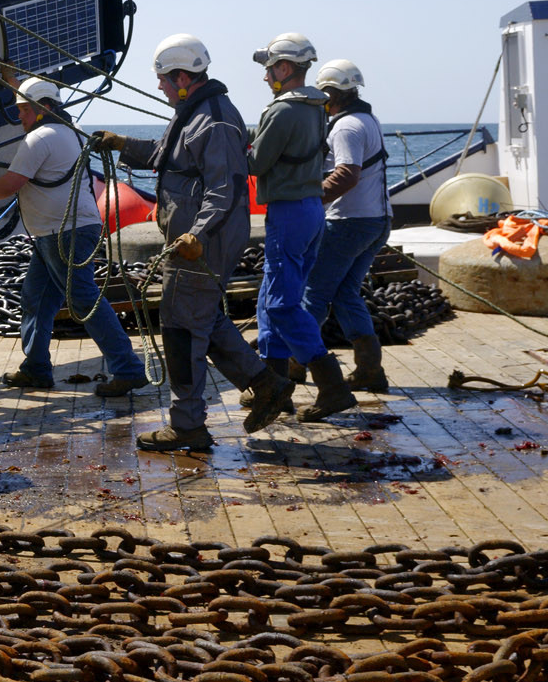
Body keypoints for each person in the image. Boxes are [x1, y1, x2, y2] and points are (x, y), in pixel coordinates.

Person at [93, 34, 294, 452]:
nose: (161, 87)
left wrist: (195, 234)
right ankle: (266, 383)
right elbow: (168, 156)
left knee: (180, 330)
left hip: (204, 243)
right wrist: (120, 144)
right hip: (194, 241)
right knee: (204, 320)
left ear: (183, 77)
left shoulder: (215, 120)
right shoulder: (194, 113)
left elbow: (225, 190)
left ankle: (188, 425)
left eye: (165, 80)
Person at [0, 77, 148, 395]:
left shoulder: (40, 138)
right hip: (59, 232)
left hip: (64, 233)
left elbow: (9, 185)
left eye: (23, 111)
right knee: (36, 299)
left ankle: (128, 369)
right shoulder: (66, 133)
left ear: (42, 107)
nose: (20, 117)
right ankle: (36, 368)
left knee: (84, 301)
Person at [248, 32, 356, 421]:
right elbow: (281, 145)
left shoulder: (280, 110)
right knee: (270, 298)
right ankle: (275, 386)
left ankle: (332, 387)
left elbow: (256, 164)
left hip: (290, 213)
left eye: (268, 69)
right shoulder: (314, 105)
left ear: (284, 68)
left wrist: (215, 147)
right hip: (311, 210)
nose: (265, 77)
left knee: (281, 304)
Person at [302, 59, 392, 392]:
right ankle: (369, 370)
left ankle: (295, 364)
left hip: (348, 223)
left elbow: (346, 175)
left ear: (329, 94)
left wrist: (308, 200)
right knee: (344, 293)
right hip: (378, 222)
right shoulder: (369, 120)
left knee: (313, 294)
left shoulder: (344, 127)